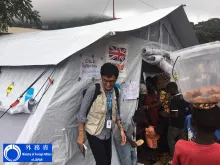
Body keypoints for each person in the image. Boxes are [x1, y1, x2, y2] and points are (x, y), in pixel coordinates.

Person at [77, 63, 126, 165]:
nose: (108, 84)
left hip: (107, 132)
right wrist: (81, 134)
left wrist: (121, 130)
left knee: (107, 161)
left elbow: (117, 114)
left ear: (116, 79)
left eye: (111, 81)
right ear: (101, 77)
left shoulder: (116, 91)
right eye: (105, 80)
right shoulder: (93, 89)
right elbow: (81, 114)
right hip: (93, 132)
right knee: (102, 162)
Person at [164, 82, 187, 160]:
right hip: (183, 124)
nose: (169, 93)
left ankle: (174, 158)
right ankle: (182, 158)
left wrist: (166, 115)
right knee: (182, 143)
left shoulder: (174, 100)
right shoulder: (183, 97)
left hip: (175, 125)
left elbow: (175, 115)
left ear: (172, 89)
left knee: (171, 141)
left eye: (169, 90)